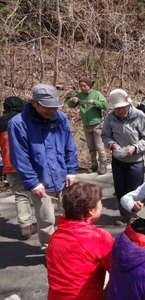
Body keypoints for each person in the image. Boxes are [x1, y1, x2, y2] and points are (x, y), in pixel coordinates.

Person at [8, 83, 78, 250]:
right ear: (34, 103)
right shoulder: (18, 124)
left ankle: (66, 248)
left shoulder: (60, 118)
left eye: (54, 107)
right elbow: (20, 157)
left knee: (68, 216)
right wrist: (33, 182)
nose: (51, 111)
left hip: (63, 176)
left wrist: (71, 170)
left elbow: (69, 146)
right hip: (41, 181)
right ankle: (50, 250)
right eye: (47, 107)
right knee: (47, 220)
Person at [46, 182, 113, 300]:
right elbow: (117, 268)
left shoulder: (55, 236)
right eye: (100, 201)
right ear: (91, 210)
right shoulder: (98, 237)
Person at [101, 88, 145, 222]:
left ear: (128, 105)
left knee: (135, 191)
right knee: (120, 190)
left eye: (121, 108)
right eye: (116, 109)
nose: (119, 111)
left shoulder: (139, 116)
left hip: (135, 161)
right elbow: (105, 136)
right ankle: (125, 215)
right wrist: (112, 144)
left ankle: (136, 217)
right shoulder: (110, 118)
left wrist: (134, 148)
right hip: (118, 160)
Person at [0, 96, 36, 239]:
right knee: (39, 192)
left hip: (9, 165)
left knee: (21, 195)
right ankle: (47, 222)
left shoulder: (1, 122)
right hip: (28, 163)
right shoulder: (25, 119)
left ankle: (26, 225)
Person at [67, 78, 108, 174]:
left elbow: (105, 105)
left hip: (97, 124)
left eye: (84, 86)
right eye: (81, 86)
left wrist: (94, 102)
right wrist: (73, 100)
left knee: (99, 146)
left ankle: (103, 165)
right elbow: (70, 105)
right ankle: (94, 165)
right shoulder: (80, 95)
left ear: (89, 85)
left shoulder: (96, 94)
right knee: (91, 147)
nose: (83, 88)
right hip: (86, 125)